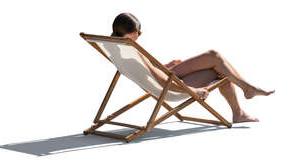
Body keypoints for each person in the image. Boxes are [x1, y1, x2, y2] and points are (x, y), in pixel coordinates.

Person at [111, 13, 275, 123]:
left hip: (166, 76)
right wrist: (192, 91)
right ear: (131, 32)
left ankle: (246, 93)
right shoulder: (132, 51)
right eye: (138, 32)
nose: (139, 36)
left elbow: (148, 71)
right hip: (170, 87)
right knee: (218, 69)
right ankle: (243, 103)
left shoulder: (116, 47)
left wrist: (166, 66)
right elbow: (160, 80)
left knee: (214, 55)